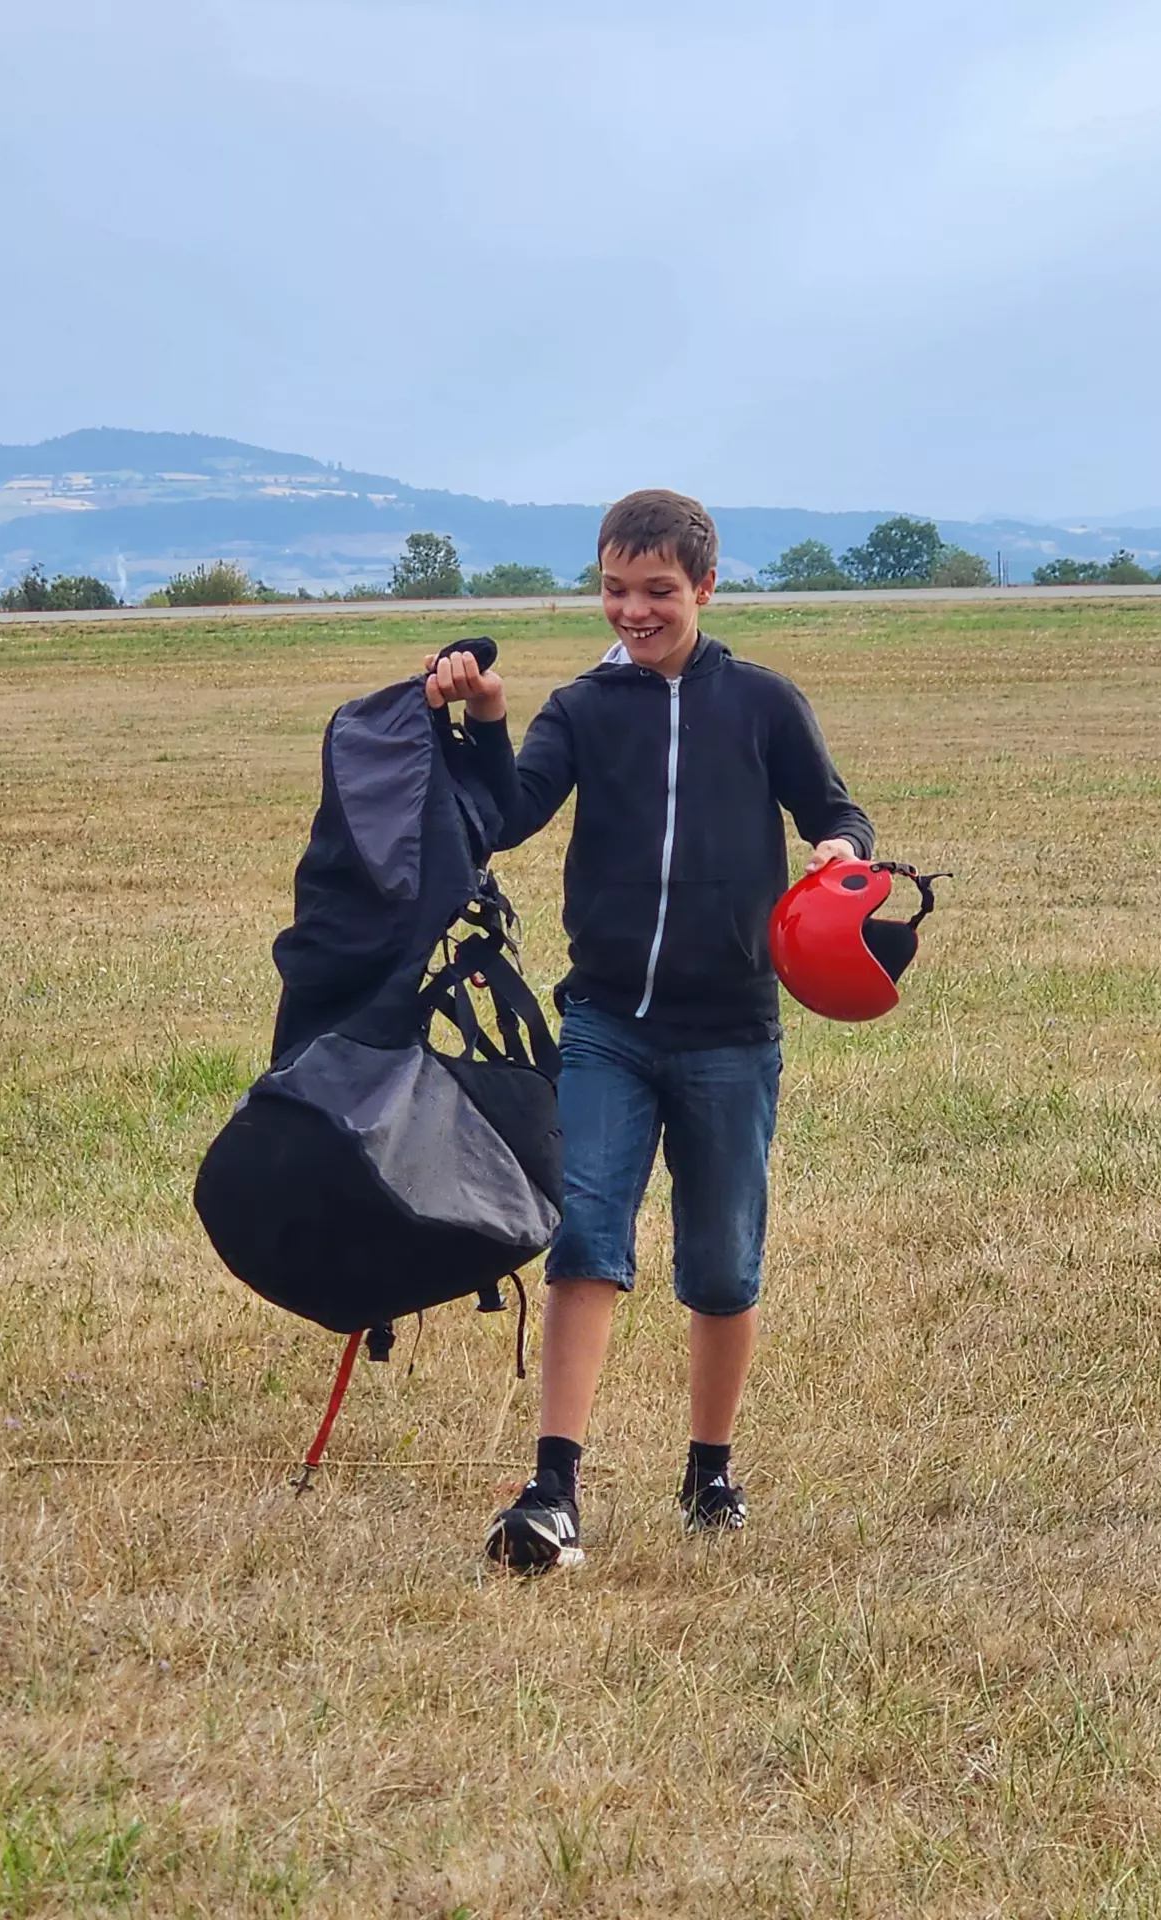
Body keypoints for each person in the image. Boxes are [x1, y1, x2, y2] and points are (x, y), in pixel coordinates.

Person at [425, 489, 874, 1571]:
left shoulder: (764, 703)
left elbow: (837, 810)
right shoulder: (582, 709)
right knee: (587, 1235)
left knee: (722, 1266)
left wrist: (838, 853)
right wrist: (486, 716)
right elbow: (508, 815)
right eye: (616, 589)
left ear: (706, 588)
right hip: (607, 1024)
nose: (633, 610)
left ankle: (709, 1472)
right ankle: (554, 1484)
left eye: (658, 591)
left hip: (730, 1030)